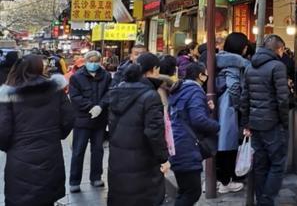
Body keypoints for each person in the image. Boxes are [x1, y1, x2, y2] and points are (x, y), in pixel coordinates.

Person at [0, 54, 75, 206]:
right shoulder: (55, 89)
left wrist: (10, 147)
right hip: (50, 152)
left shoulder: (9, 93)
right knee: (46, 196)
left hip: (20, 155)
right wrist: (56, 134)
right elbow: (68, 118)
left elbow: (3, 129)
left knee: (21, 197)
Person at [107, 53, 170, 206]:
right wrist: (163, 158)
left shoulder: (118, 90)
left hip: (118, 157)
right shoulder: (150, 95)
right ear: (154, 69)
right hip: (143, 160)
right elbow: (154, 132)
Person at [240, 34, 290, 206]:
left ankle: (261, 199)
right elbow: (283, 99)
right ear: (279, 48)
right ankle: (266, 201)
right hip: (272, 123)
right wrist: (285, 122)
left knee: (260, 165)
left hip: (255, 123)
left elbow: (244, 98)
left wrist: (246, 123)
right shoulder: (278, 66)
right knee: (277, 163)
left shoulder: (249, 66)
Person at [170, 63, 219, 206]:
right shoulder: (195, 91)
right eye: (205, 73)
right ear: (200, 76)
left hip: (177, 142)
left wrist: (206, 109)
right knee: (192, 191)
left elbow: (185, 114)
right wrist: (216, 126)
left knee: (185, 190)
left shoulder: (181, 88)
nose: (207, 76)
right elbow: (198, 120)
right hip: (187, 146)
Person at [68, 50, 112, 193]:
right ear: (85, 61)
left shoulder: (105, 76)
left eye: (96, 61)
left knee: (98, 150)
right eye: (90, 61)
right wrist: (90, 107)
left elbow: (110, 92)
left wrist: (100, 106)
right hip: (82, 120)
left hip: (100, 120)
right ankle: (74, 181)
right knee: (78, 151)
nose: (93, 64)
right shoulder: (76, 77)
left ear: (100, 62)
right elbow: (75, 96)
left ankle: (96, 177)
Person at [216, 32, 250, 194]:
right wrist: (239, 105)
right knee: (227, 144)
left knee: (221, 143)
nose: (245, 50)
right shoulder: (234, 62)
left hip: (220, 104)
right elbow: (234, 86)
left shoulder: (221, 58)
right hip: (227, 105)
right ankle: (225, 181)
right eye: (244, 47)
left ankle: (218, 179)